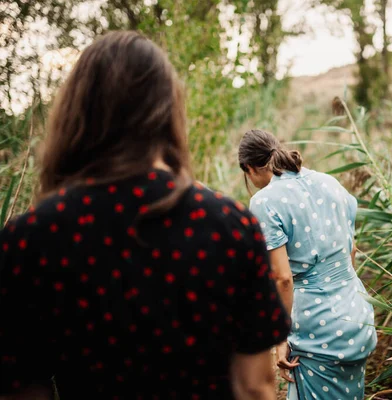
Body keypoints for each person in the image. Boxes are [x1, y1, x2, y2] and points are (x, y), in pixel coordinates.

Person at [0, 31, 290, 400]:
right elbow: (255, 386)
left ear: (76, 113)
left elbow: (21, 388)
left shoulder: (30, 238)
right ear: (167, 112)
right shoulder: (229, 226)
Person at [238, 129, 377, 400]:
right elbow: (352, 250)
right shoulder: (329, 183)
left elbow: (283, 279)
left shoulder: (264, 202)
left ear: (248, 168)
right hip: (356, 315)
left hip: (316, 329)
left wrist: (280, 340)